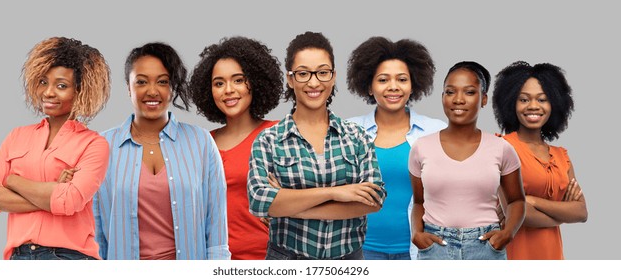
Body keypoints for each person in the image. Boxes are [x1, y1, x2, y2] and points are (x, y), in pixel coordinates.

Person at [248, 31, 386, 260]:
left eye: (322, 72)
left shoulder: (357, 136)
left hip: (348, 260)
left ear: (333, 76)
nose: (314, 82)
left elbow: (374, 199)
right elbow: (260, 201)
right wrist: (337, 192)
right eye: (303, 73)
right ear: (290, 79)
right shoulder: (268, 140)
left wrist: (290, 205)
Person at [0, 37, 111, 260]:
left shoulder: (93, 144)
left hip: (69, 257)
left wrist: (12, 181)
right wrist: (50, 192)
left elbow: (69, 201)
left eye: (61, 86)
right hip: (18, 257)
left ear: (80, 90)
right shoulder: (17, 136)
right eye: (42, 82)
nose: (48, 92)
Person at [93, 42, 230, 260]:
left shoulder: (201, 142)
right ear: (128, 87)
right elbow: (95, 231)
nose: (152, 91)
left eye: (163, 82)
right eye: (141, 81)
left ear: (172, 88)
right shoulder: (102, 145)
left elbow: (216, 231)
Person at [408, 61, 525, 260]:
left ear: (484, 99)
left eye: (469, 92)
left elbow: (516, 200)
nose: (458, 99)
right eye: (450, 92)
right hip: (435, 247)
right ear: (443, 97)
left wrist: (507, 233)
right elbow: (419, 202)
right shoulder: (421, 147)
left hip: (485, 247)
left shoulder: (501, 148)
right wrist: (416, 234)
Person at [346, 37, 446, 260]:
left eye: (402, 79)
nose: (393, 87)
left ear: (413, 85)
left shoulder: (436, 131)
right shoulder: (349, 130)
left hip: (421, 250)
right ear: (369, 87)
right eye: (383, 80)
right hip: (360, 250)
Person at [189, 36, 284, 260]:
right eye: (219, 83)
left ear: (256, 81)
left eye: (238, 80)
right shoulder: (201, 143)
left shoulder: (278, 134)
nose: (228, 90)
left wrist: (288, 206)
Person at [492, 61, 587, 259]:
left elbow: (581, 212)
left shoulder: (562, 156)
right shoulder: (501, 148)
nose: (533, 106)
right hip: (513, 256)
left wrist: (533, 200)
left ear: (554, 103)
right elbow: (517, 213)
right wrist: (561, 216)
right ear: (511, 103)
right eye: (524, 99)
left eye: (542, 99)